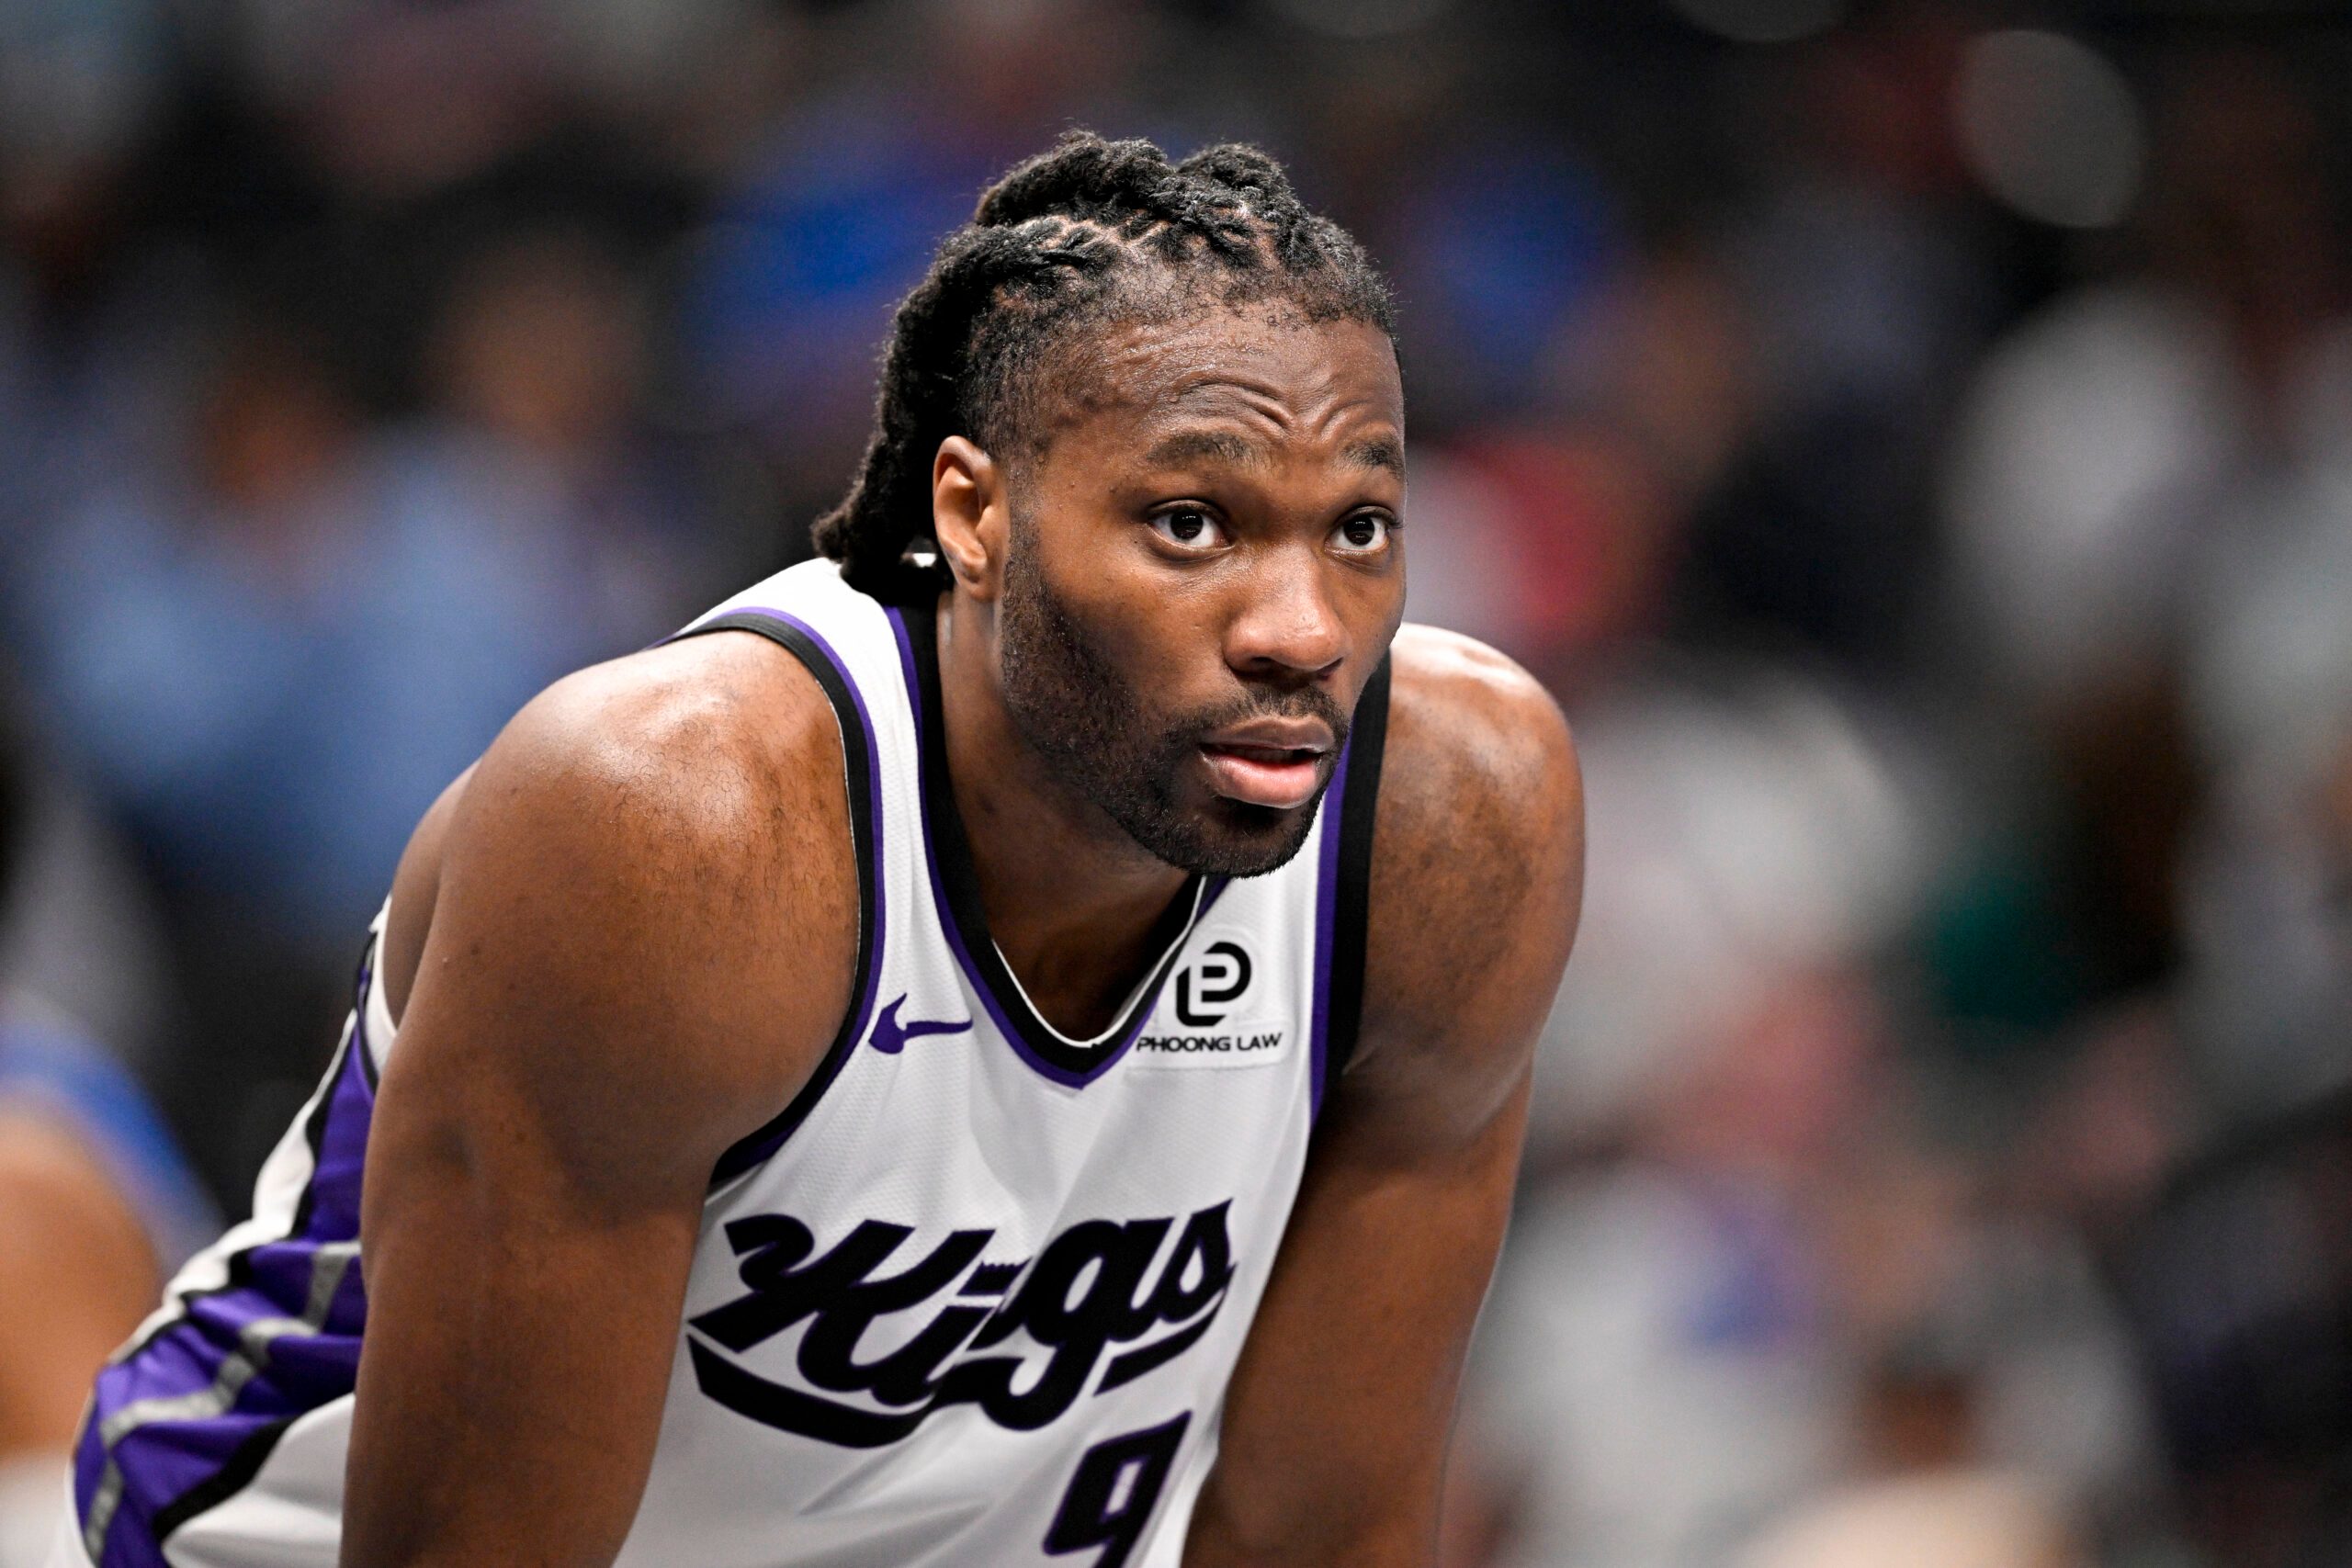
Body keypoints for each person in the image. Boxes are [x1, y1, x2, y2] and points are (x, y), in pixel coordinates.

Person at [55, 132, 1584, 1568]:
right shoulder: (677, 830)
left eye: (1361, 528)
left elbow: (1320, 1536)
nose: (1303, 630)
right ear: (975, 514)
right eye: (1191, 523)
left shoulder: (1454, 821)